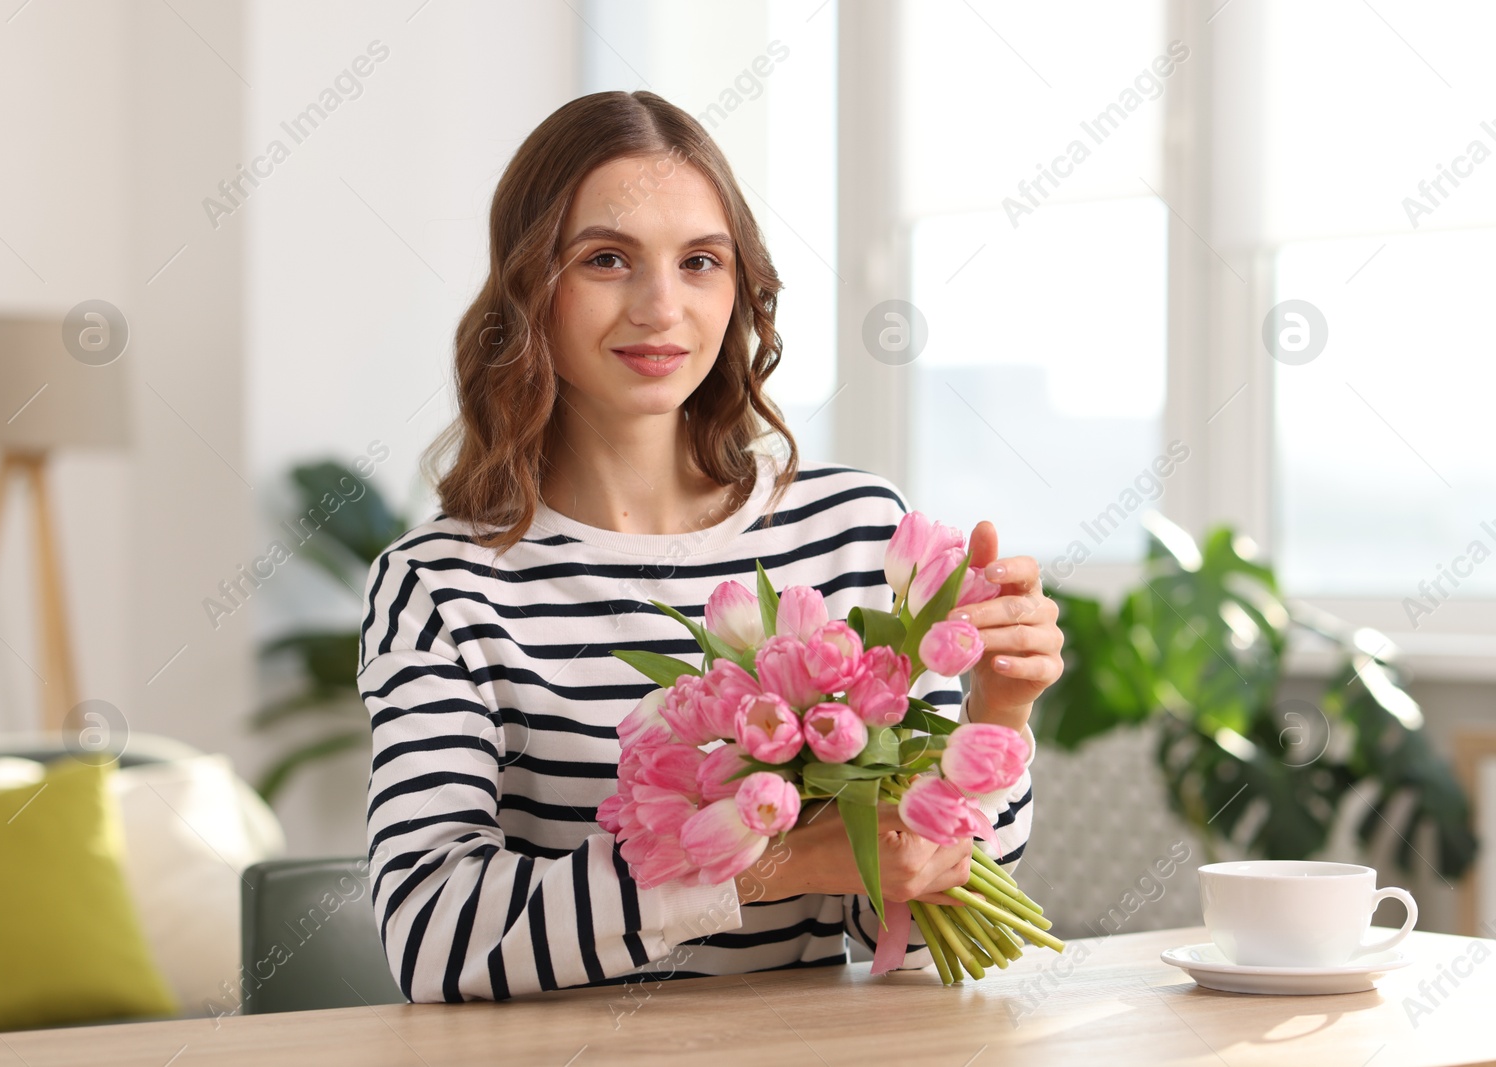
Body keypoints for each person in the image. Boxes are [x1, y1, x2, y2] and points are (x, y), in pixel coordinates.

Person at [358, 90, 1064, 1005]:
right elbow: (435, 936)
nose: (662, 306)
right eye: (607, 259)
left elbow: (918, 936)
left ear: (739, 289)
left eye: (700, 262)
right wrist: (775, 863)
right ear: (529, 286)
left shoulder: (851, 530)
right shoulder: (441, 587)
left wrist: (998, 717)